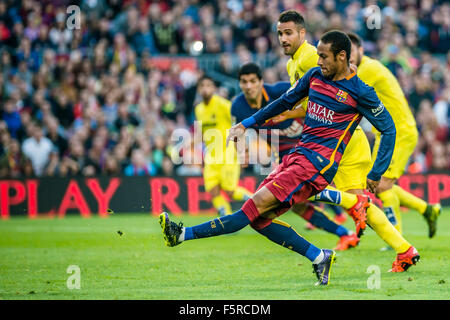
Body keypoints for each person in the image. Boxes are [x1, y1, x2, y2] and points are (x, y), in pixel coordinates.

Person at [160, 31, 402, 286]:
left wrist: (377, 173)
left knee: (248, 211)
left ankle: (182, 234)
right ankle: (319, 256)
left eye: (323, 56)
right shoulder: (315, 76)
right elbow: (284, 102)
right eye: (317, 55)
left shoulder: (361, 92)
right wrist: (246, 123)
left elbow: (389, 129)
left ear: (342, 56)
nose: (318, 61)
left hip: (316, 166)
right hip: (296, 157)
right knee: (259, 220)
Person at [272, 10, 420, 271]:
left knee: (299, 189)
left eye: (288, 33)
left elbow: (330, 97)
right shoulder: (293, 63)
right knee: (358, 203)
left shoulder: (309, 59)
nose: (283, 38)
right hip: (333, 141)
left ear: (302, 34)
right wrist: (292, 114)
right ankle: (405, 250)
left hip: (337, 143)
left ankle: (361, 232)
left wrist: (285, 113)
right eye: (280, 33)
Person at [232, 62, 359, 251]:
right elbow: (238, 134)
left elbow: (314, 102)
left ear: (261, 82)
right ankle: (345, 232)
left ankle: (353, 206)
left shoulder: (279, 91)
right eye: (244, 82)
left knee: (305, 195)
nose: (249, 86)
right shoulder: (238, 106)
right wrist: (242, 151)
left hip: (310, 148)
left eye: (252, 81)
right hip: (286, 155)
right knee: (298, 205)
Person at [347, 32, 441, 238]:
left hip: (397, 132)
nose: (349, 57)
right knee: (375, 184)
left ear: (361, 50)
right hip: (386, 133)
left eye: (352, 51)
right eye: (345, 53)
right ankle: (427, 209)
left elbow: (346, 94)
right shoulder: (362, 69)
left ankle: (396, 238)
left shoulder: (368, 69)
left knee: (380, 185)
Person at [194, 75, 252, 217]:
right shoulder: (199, 109)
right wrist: (191, 144)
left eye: (208, 85)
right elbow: (203, 132)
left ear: (214, 88)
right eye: (202, 86)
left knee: (230, 191)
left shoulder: (223, 105)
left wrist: (244, 148)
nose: (205, 89)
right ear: (198, 89)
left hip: (228, 153)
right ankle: (226, 219)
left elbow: (239, 123)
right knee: (212, 190)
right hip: (211, 156)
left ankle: (257, 200)